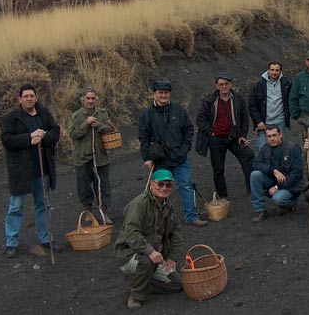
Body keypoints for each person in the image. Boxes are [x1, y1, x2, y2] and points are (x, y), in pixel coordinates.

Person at [0, 84, 61, 258]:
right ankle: (11, 242)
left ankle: (47, 238)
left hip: (43, 169)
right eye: (25, 96)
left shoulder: (44, 114)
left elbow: (55, 132)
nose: (29, 98)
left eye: (31, 95)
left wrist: (44, 136)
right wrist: (29, 138)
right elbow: (7, 140)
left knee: (43, 205)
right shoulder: (11, 118)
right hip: (21, 171)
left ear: (36, 97)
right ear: (20, 99)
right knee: (16, 207)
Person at [139, 81, 208, 227]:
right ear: (155, 94)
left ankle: (191, 217)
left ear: (169, 94)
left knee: (186, 185)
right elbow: (143, 137)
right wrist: (147, 157)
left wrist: (184, 149)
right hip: (160, 160)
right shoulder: (147, 114)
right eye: (160, 92)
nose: (163, 95)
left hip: (179, 157)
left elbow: (189, 131)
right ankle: (159, 221)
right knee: (159, 190)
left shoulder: (179, 111)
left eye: (166, 92)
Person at [114, 169, 184, 310]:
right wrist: (150, 251)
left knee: (177, 284)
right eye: (160, 184)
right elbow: (131, 232)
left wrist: (172, 258)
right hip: (130, 254)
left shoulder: (168, 205)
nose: (164, 188)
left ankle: (140, 282)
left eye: (168, 185)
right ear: (151, 184)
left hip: (156, 256)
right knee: (146, 261)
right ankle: (136, 296)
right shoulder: (139, 204)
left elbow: (176, 232)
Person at [196, 73, 254, 199]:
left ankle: (252, 189)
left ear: (230, 84)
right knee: (218, 169)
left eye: (226, 84)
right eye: (221, 84)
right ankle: (222, 196)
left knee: (248, 157)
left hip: (234, 137)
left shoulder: (238, 99)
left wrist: (243, 135)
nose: (224, 86)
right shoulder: (209, 101)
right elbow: (200, 119)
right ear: (216, 86)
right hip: (216, 138)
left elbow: (245, 118)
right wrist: (210, 131)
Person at [69, 87, 114, 224]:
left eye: (93, 98)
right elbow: (73, 134)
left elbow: (109, 129)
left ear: (96, 100)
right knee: (84, 187)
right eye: (88, 98)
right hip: (82, 157)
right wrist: (86, 124)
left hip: (100, 157)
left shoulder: (102, 113)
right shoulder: (76, 116)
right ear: (83, 99)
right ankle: (88, 212)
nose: (90, 101)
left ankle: (104, 213)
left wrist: (98, 125)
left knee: (103, 186)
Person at [249, 125, 304, 223]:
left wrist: (277, 187)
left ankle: (291, 202)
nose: (272, 139)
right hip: (273, 180)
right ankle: (260, 210)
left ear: (281, 135)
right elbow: (256, 164)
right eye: (269, 136)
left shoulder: (293, 148)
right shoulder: (265, 148)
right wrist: (273, 170)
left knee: (278, 199)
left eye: (274, 135)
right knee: (255, 175)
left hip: (291, 185)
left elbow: (297, 174)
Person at [248, 61, 292, 151]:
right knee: (262, 147)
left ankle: (279, 165)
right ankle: (265, 165)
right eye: (272, 70)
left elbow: (291, 101)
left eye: (277, 70)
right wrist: (258, 121)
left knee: (280, 147)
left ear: (280, 71)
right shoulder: (259, 85)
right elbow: (252, 105)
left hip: (280, 121)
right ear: (268, 70)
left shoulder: (286, 84)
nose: (274, 72)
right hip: (264, 123)